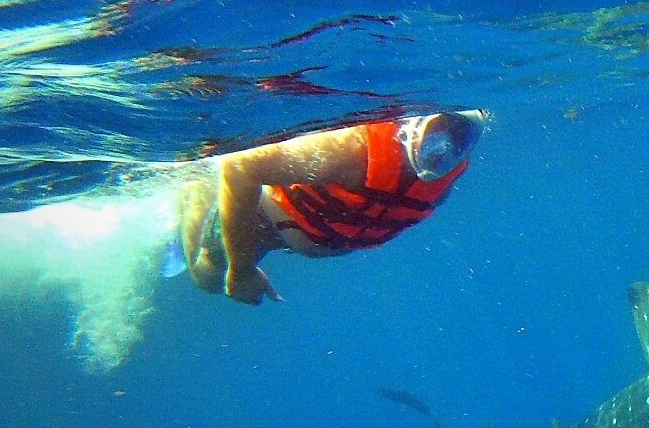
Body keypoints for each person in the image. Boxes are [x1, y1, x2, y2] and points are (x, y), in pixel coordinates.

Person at [175, 109, 487, 304]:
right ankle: (195, 189)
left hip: (302, 228)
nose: (443, 149)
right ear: (415, 123)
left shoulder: (447, 175)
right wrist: (241, 271)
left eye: (461, 138)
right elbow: (240, 168)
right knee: (208, 277)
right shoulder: (353, 152)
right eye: (438, 132)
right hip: (262, 219)